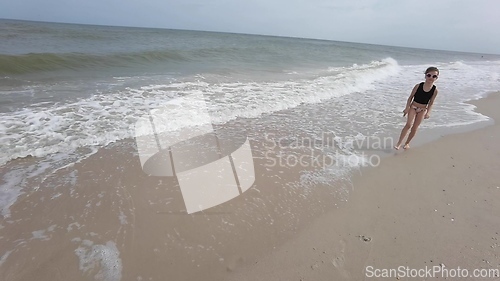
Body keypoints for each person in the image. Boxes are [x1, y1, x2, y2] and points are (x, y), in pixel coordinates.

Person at [394, 67, 439, 150]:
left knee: (415, 127)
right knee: (408, 125)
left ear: (436, 78)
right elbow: (410, 97)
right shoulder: (418, 86)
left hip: (422, 110)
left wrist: (428, 112)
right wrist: (407, 108)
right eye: (429, 75)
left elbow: (431, 103)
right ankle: (399, 143)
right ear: (425, 75)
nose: (431, 78)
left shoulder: (435, 90)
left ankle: (407, 143)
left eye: (434, 76)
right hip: (413, 107)